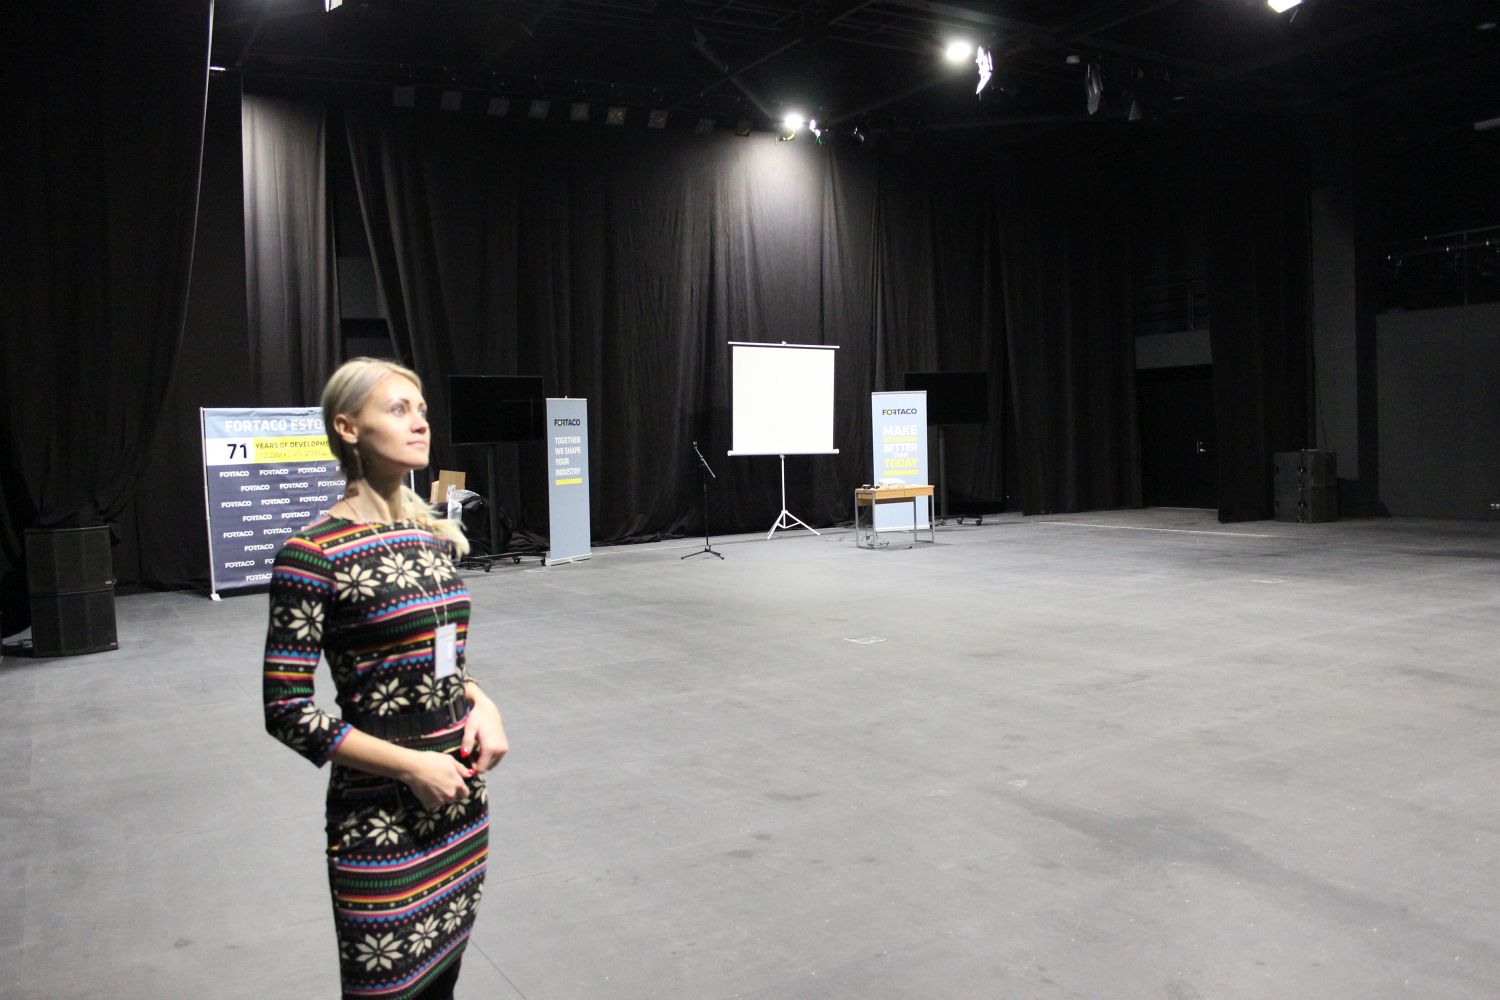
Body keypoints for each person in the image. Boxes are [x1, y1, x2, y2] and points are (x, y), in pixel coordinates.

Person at [262, 357, 507, 1000]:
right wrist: (411, 767)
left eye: (421, 410)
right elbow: (286, 710)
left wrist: (482, 702)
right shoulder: (312, 555)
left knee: (442, 982)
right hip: (379, 815)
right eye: (398, 410)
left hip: (458, 799)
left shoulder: (431, 537)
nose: (420, 423)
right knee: (385, 987)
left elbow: (444, 658)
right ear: (347, 427)